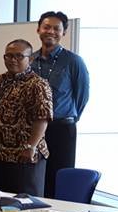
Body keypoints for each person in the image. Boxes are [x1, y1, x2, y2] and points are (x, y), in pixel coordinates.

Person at [33, 11, 90, 198]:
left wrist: (69, 117)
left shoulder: (73, 61)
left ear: (64, 32)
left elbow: (82, 96)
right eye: (46, 27)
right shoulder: (30, 60)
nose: (51, 31)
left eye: (56, 28)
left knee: (59, 177)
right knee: (35, 177)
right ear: (38, 29)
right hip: (33, 128)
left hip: (61, 129)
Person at [0, 40, 53, 196]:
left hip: (25, 156)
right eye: (9, 56)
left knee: (26, 204)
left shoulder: (37, 84)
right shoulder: (1, 81)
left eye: (19, 56)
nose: (13, 60)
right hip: (1, 155)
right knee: (3, 205)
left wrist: (30, 146)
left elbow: (42, 118)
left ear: (30, 59)